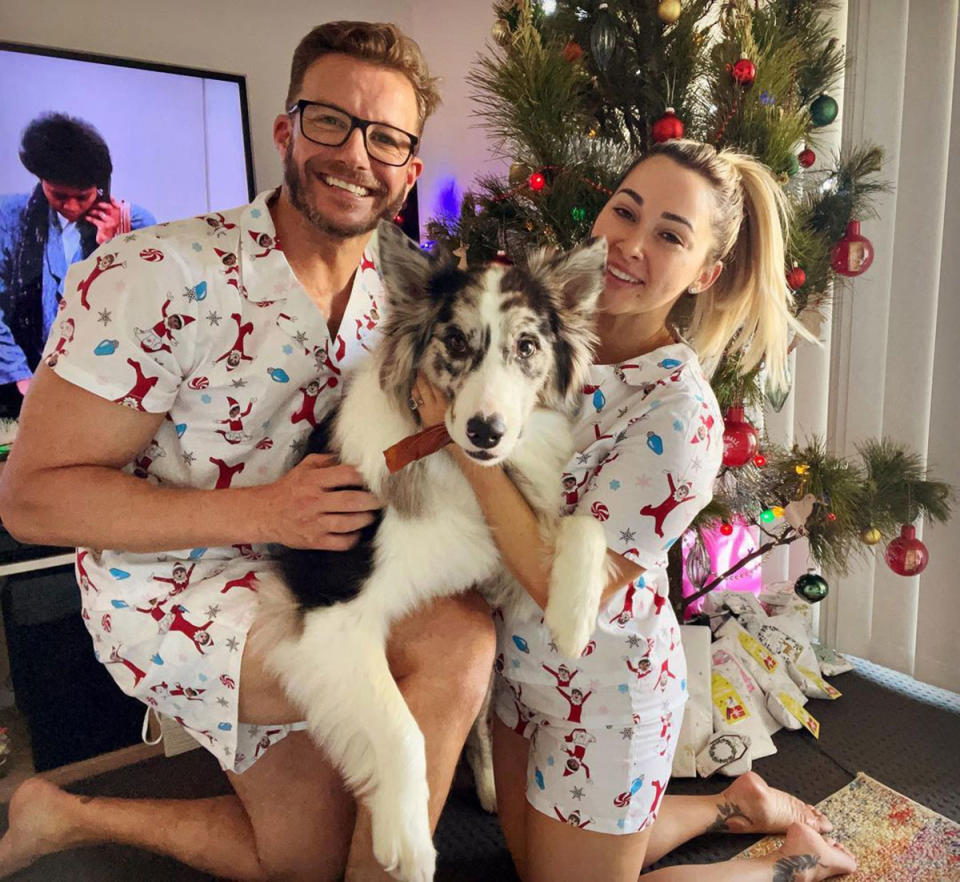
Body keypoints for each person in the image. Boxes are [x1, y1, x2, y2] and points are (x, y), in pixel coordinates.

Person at [0, 21, 494, 882]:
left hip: (330, 572)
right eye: (331, 121)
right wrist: (265, 511)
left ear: (411, 169)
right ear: (287, 130)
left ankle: (59, 812)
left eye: (387, 138)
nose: (356, 156)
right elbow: (30, 500)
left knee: (308, 854)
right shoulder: (150, 274)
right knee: (451, 649)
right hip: (171, 585)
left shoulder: (408, 293)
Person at [410, 140, 857, 881]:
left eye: (670, 235)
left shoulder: (680, 416)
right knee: (530, 865)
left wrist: (464, 440)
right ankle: (730, 802)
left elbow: (563, 586)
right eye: (626, 211)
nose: (630, 243)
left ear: (704, 274)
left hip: (605, 695)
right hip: (518, 681)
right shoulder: (538, 335)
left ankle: (790, 865)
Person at [0, 113, 156, 393]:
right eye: (59, 195)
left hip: (106, 377)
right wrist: (21, 378)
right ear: (41, 179)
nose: (71, 206)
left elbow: (147, 306)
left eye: (83, 196)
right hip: (23, 377)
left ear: (99, 185)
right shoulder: (8, 216)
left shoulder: (134, 221)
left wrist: (113, 246)